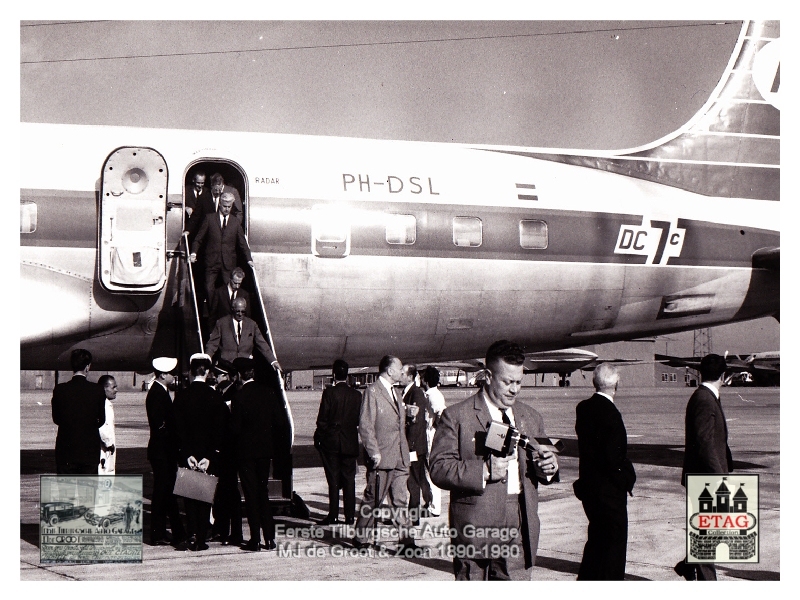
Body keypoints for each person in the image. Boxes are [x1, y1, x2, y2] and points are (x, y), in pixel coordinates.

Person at [429, 340, 559, 580]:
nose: (514, 390)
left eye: (519, 382)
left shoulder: (531, 417)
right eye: (507, 382)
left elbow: (542, 465)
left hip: (519, 524)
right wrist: (484, 471)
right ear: (488, 376)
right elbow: (438, 468)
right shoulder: (456, 416)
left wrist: (548, 468)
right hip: (475, 526)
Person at [573, 363, 635, 580]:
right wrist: (627, 477)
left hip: (589, 488)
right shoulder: (611, 414)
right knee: (613, 549)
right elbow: (613, 458)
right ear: (617, 384)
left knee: (596, 543)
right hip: (609, 492)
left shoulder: (584, 407)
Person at [675, 353, 732, 581]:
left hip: (707, 475)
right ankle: (707, 582)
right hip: (706, 479)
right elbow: (705, 441)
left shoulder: (706, 396)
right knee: (709, 532)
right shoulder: (704, 399)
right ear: (724, 376)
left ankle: (689, 565)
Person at [352, 356, 414, 550]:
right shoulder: (372, 392)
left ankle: (407, 542)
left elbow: (396, 424)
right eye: (399, 369)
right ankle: (361, 538)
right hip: (382, 456)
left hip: (400, 455)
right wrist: (373, 451)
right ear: (389, 371)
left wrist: (409, 416)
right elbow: (365, 424)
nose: (402, 372)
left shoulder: (396, 392)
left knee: (400, 499)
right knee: (374, 498)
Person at [230, 357, 291, 551]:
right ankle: (270, 539)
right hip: (265, 453)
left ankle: (255, 539)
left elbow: (235, 429)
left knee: (251, 495)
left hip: (246, 453)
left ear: (240, 375)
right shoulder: (269, 392)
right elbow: (281, 423)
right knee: (263, 493)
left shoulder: (239, 397)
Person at [173, 353, 227, 552]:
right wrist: (210, 457)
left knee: (189, 497)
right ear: (208, 372)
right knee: (204, 497)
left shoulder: (182, 397)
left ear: (190, 371)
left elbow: (177, 428)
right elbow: (220, 430)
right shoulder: (215, 397)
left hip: (188, 454)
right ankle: (201, 538)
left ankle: (192, 533)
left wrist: (186, 454)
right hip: (207, 456)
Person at [313, 359, 363, 525]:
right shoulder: (357, 395)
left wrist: (319, 436)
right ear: (347, 375)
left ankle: (333, 514)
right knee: (349, 479)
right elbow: (358, 419)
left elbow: (323, 418)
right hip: (349, 440)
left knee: (333, 479)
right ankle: (349, 516)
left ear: (334, 374)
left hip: (332, 441)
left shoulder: (329, 393)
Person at [145, 356, 186, 547]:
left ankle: (162, 532)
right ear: (162, 375)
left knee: (164, 493)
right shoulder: (157, 394)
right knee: (162, 493)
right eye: (171, 373)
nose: (174, 376)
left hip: (163, 451)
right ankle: (157, 533)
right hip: (163, 452)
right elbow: (159, 424)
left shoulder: (160, 392)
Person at [189, 192, 254, 304]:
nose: (227, 209)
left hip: (228, 263)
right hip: (211, 261)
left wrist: (249, 259)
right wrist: (193, 253)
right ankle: (211, 313)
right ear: (220, 204)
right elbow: (199, 239)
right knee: (209, 288)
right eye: (225, 206)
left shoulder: (235, 222)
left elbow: (243, 243)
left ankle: (224, 315)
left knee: (227, 291)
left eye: (229, 207)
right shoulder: (209, 219)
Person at [51, 349, 106, 474]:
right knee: (87, 492)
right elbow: (101, 420)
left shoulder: (60, 389)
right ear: (87, 367)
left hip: (66, 450)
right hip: (89, 451)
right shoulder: (97, 390)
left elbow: (56, 418)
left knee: (66, 492)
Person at [205, 297, 281, 372]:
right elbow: (212, 344)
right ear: (232, 309)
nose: (240, 314)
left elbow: (262, 344)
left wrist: (273, 361)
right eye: (238, 311)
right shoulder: (221, 323)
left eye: (243, 311)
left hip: (245, 367)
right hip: (227, 366)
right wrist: (207, 358)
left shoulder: (252, 324)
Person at [399, 364, 432, 525]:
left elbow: (416, 423)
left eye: (403, 373)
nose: (400, 375)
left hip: (414, 446)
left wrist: (409, 446)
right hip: (412, 445)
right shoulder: (408, 392)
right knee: (415, 479)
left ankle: (414, 516)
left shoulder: (416, 393)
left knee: (413, 481)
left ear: (410, 377)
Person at [420, 366, 444, 517]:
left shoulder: (433, 396)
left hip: (431, 439)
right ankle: (429, 503)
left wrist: (436, 426)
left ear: (426, 380)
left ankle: (434, 508)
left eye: (422, 377)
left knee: (430, 474)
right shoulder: (429, 394)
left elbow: (441, 413)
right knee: (425, 474)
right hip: (427, 437)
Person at [97, 375, 118, 475]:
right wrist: (109, 444)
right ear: (104, 388)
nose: (116, 390)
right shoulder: (104, 405)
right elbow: (102, 427)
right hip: (105, 451)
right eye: (113, 387)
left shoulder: (103, 403)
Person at [184, 170, 213, 237]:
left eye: (202, 183)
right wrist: (185, 207)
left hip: (202, 228)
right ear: (193, 180)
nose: (200, 185)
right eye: (198, 183)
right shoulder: (186, 190)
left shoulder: (208, 193)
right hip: (189, 226)